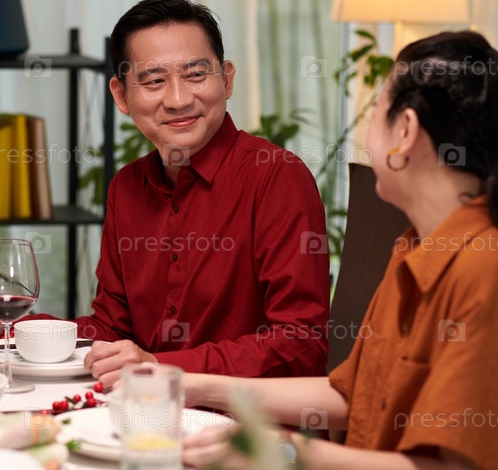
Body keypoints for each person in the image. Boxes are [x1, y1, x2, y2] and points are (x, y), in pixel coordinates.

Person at [180, 30, 498, 469]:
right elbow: (351, 396)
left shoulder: (482, 269)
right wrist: (191, 384)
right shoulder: (414, 248)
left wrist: (289, 451)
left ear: (405, 131)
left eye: (378, 109)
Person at [68, 0, 330, 386]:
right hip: (147, 409)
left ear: (227, 79)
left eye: (195, 75)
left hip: (249, 419)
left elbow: (301, 344)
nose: (178, 100)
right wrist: (11, 330)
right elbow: (112, 327)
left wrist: (162, 366)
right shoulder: (127, 187)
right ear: (121, 95)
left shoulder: (276, 177)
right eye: (154, 81)